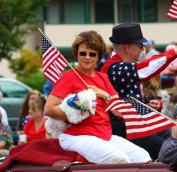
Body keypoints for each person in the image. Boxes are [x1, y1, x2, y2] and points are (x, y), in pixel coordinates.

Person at [44, 30, 151, 164]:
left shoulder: (103, 78)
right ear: (76, 55)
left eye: (92, 54)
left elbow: (118, 111)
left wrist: (105, 95)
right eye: (82, 53)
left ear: (98, 57)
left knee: (144, 158)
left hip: (105, 135)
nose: (87, 57)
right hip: (77, 135)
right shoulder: (69, 77)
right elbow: (48, 109)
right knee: (120, 160)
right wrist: (76, 113)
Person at [101, 23, 177, 160]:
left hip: (140, 124)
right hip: (126, 129)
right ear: (127, 47)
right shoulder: (113, 67)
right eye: (140, 46)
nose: (143, 49)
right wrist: (175, 51)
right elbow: (144, 69)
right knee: (174, 150)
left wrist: (147, 106)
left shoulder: (120, 66)